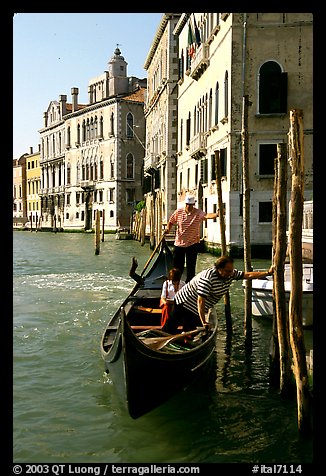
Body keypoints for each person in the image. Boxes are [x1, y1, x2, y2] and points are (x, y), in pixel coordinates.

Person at [161, 255, 274, 334]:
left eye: (231, 270)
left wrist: (268, 272)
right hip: (184, 302)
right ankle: (164, 339)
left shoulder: (230, 274)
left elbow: (247, 275)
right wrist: (204, 321)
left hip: (197, 306)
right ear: (219, 269)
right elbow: (201, 300)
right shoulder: (208, 278)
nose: (231, 273)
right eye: (228, 271)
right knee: (172, 327)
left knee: (191, 330)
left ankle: (183, 343)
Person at [164, 194, 219, 283]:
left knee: (191, 268)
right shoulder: (179, 212)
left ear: (193, 205)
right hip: (179, 244)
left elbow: (207, 216)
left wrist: (216, 214)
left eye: (191, 205)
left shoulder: (198, 213)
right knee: (177, 268)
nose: (189, 206)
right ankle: (175, 285)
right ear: (185, 204)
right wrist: (168, 229)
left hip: (192, 244)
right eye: (188, 204)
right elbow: (171, 221)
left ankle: (189, 286)